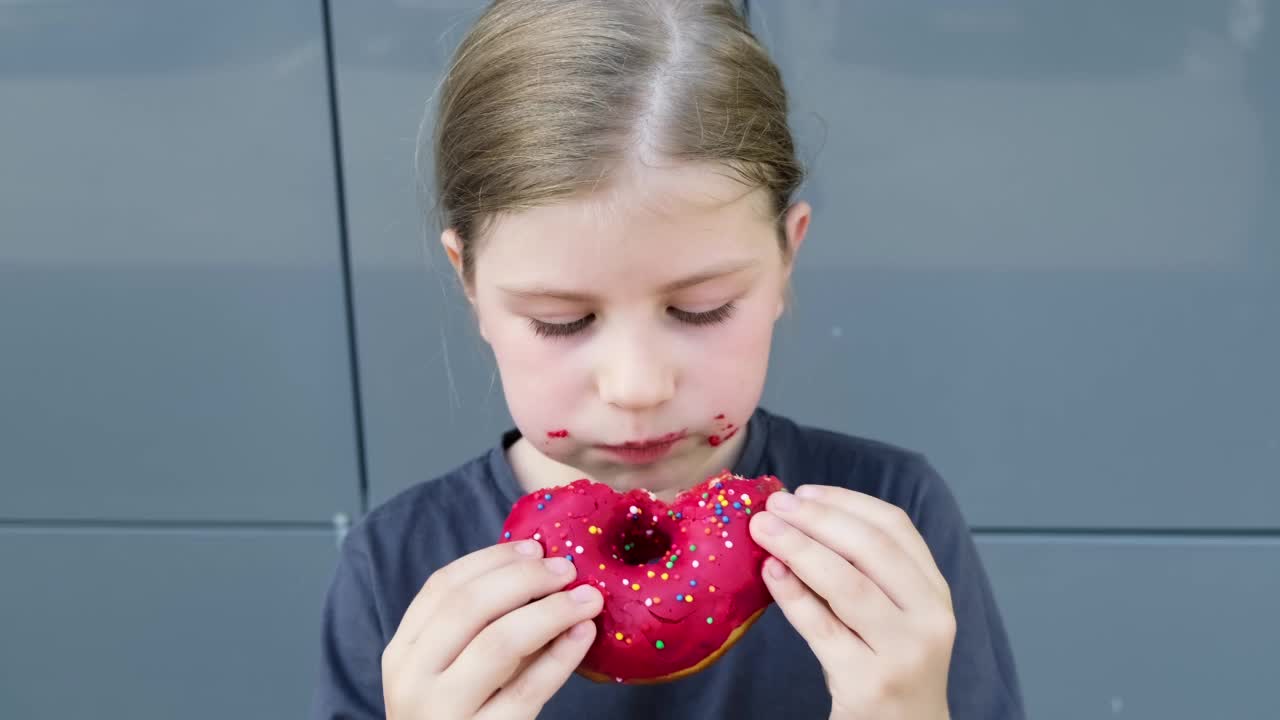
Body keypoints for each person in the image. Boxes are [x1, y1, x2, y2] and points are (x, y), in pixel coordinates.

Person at [310, 1, 1024, 717]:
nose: (637, 387)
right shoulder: (394, 566)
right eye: (562, 321)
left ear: (785, 259)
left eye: (701, 308)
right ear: (470, 285)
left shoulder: (893, 520)